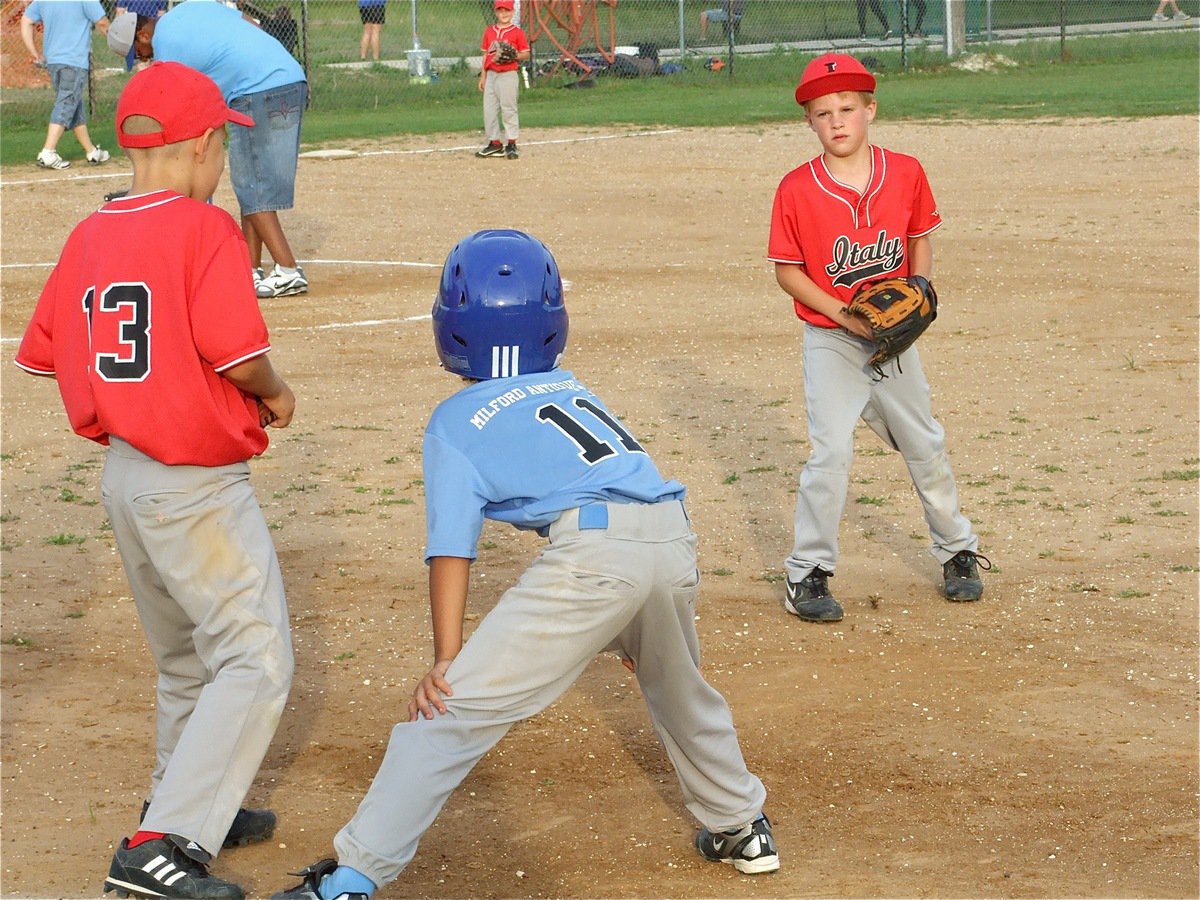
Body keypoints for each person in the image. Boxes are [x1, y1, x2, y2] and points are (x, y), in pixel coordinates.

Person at [269, 228, 779, 900]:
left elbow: (452, 546)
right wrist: (635, 618)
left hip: (597, 556)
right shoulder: (572, 389)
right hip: (670, 536)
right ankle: (742, 826)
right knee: (679, 689)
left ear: (448, 327)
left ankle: (351, 879)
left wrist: (446, 660)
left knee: (447, 717)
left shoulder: (454, 419)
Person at [15, 60, 297, 900]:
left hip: (126, 479)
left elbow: (46, 352)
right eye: (221, 150)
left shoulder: (90, 231)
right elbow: (238, 356)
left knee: (186, 661)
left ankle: (186, 799)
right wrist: (277, 393)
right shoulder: (204, 230)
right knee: (253, 657)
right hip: (194, 485)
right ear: (206, 146)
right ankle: (163, 844)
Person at [767, 53, 988, 624]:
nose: (837, 121)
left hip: (895, 340)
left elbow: (919, 239)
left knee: (923, 442)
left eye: (847, 108)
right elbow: (788, 271)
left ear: (870, 110)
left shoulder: (907, 171)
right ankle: (806, 573)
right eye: (823, 113)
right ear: (810, 123)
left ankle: (958, 550)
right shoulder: (796, 189)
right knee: (830, 452)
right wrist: (845, 316)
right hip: (831, 337)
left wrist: (919, 287)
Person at [136, 1, 310, 299]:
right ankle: (251, 269)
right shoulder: (191, 9)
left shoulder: (165, 47)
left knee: (250, 184)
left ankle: (288, 270)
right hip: (290, 77)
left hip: (255, 90)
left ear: (142, 36)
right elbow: (252, 24)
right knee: (254, 178)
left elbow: (181, 102)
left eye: (138, 55)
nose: (143, 60)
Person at [19, 0, 112, 170]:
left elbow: (26, 20)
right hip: (74, 61)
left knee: (73, 104)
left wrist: (35, 53)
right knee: (67, 103)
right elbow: (102, 22)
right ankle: (48, 151)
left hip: (53, 61)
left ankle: (91, 151)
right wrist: (119, 44)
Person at [475, 0, 529, 160]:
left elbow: (525, 53)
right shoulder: (489, 31)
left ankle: (511, 143)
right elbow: (486, 54)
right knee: (489, 110)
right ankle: (495, 143)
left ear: (512, 12)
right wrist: (483, 76)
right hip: (491, 75)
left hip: (508, 75)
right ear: (495, 12)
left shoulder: (517, 33)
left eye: (507, 11)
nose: (503, 14)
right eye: (500, 11)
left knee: (508, 109)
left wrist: (515, 55)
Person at [113, 0, 165, 70]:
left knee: (144, 63)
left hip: (133, 29)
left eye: (138, 55)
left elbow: (120, 12)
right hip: (150, 27)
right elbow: (161, 13)